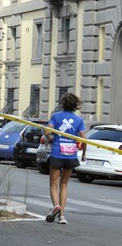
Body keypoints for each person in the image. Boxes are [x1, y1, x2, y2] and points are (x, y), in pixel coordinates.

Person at [44, 93, 86, 224]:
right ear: (75, 105)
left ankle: (56, 205)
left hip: (57, 153)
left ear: (63, 103)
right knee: (64, 184)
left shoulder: (56, 116)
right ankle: (62, 215)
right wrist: (84, 153)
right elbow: (83, 139)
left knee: (53, 184)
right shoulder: (79, 120)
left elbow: (46, 132)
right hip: (71, 154)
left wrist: (51, 140)